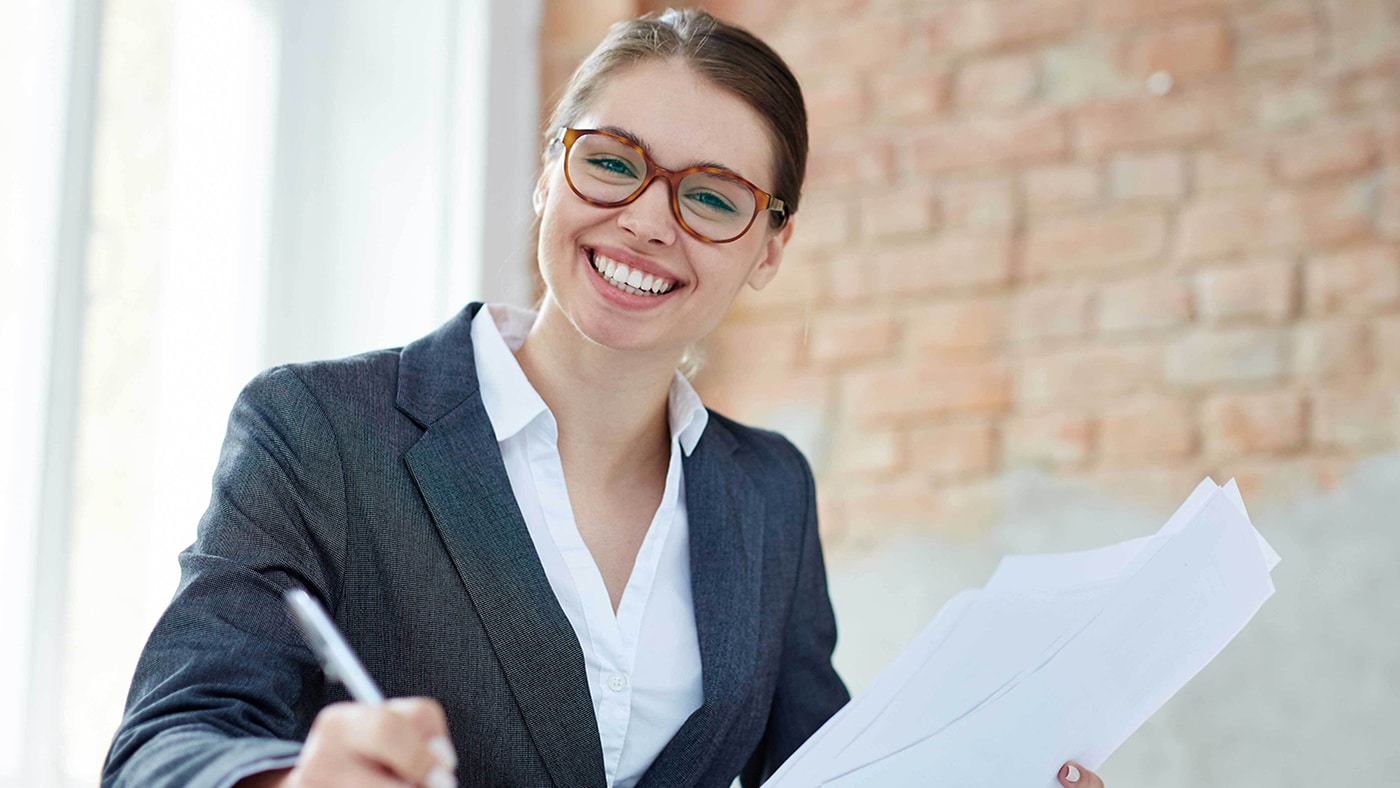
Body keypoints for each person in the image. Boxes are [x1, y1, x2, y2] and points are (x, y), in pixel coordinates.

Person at [102, 9, 1106, 788]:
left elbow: (819, 767)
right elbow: (165, 739)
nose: (643, 220)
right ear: (549, 172)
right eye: (611, 162)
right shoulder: (319, 430)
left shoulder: (767, 491)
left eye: (710, 197)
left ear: (768, 249)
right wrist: (285, 775)